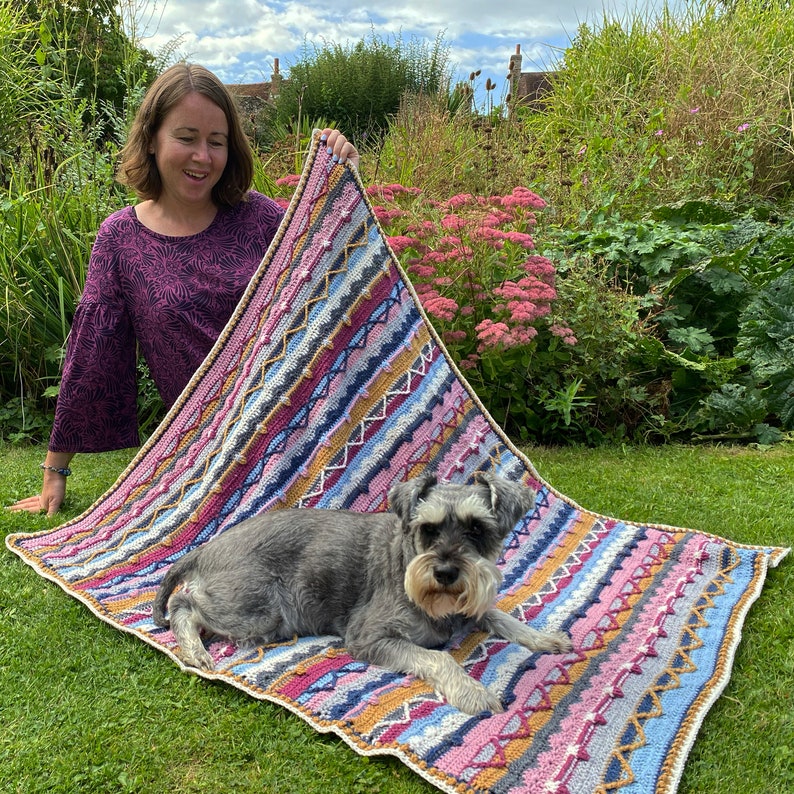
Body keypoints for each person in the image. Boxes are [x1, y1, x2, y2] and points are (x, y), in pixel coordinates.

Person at [10, 63, 359, 516]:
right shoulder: (121, 238)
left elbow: (339, 279)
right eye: (186, 137)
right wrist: (56, 472)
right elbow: (92, 353)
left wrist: (346, 182)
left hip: (299, 427)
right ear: (152, 139)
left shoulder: (261, 219)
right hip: (205, 455)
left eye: (217, 142)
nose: (203, 157)